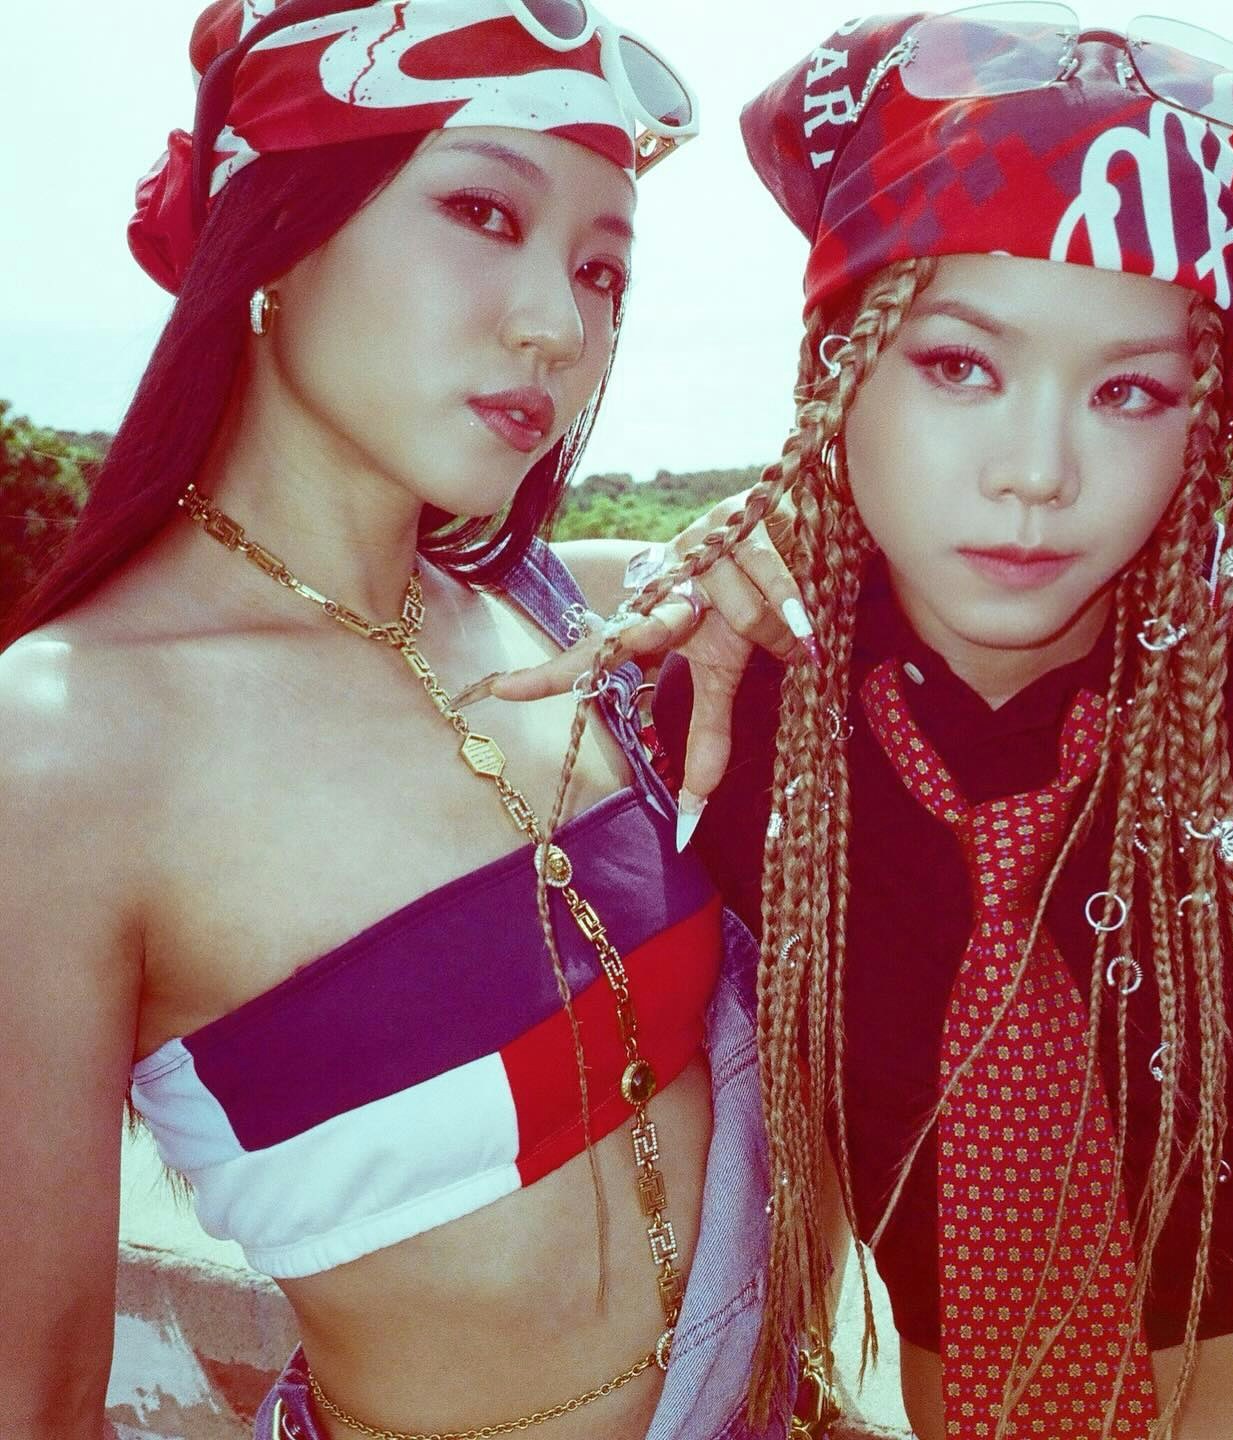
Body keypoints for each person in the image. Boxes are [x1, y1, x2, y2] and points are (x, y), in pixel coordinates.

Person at [532, 9, 1233, 1438]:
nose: (1037, 471)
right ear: (838, 371)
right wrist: (683, 573)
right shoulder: (731, 710)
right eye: (960, 365)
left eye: (1130, 391)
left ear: (1205, 424)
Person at [0, 3, 799, 1438]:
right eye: (483, 211)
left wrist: (754, 551)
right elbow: (30, 1391)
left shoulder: (569, 620)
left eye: (602, 268)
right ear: (271, 238)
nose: (560, 325)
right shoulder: (64, 745)